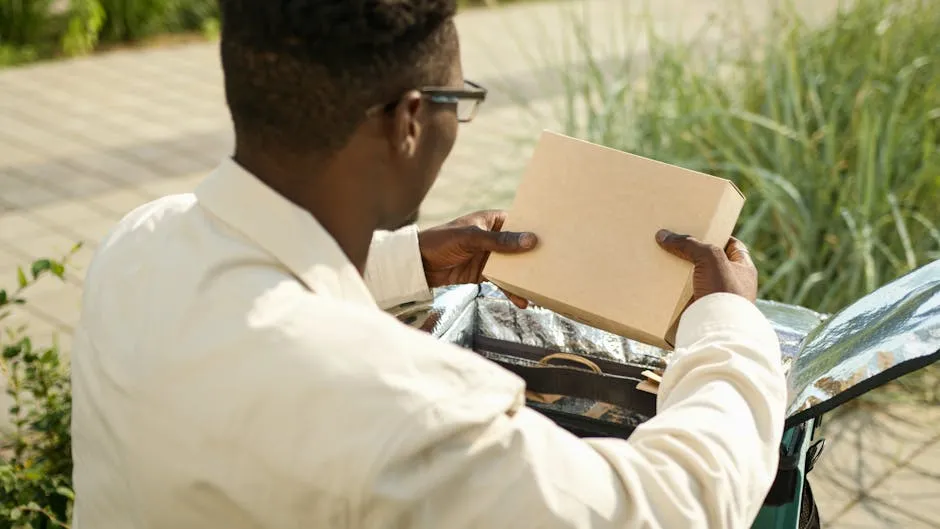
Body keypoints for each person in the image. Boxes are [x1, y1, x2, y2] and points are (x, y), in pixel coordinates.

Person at [69, 0, 787, 527]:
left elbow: (262, 289)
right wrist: (723, 321)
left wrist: (407, 260)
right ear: (411, 119)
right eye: (459, 100)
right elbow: (674, 505)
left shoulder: (137, 243)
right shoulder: (401, 404)